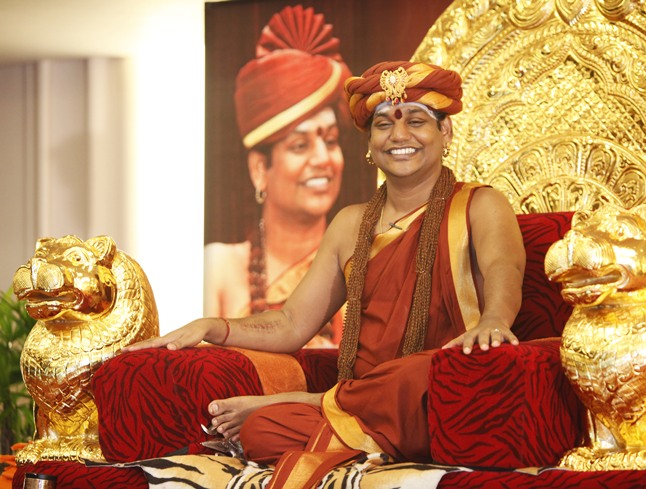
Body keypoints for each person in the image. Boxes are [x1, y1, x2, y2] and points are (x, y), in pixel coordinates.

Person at [125, 60, 525, 485]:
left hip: (438, 394)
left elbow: (505, 267)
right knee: (262, 430)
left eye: (416, 121)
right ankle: (351, 423)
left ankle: (316, 402)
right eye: (384, 124)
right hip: (364, 410)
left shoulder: (481, 204)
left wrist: (494, 321)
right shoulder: (351, 224)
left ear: (445, 132)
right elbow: (291, 323)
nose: (399, 136)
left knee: (421, 371)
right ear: (370, 143)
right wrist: (211, 327)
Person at [204, 5, 351, 346]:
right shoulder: (219, 267)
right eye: (300, 145)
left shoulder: (360, 269)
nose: (323, 159)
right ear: (260, 169)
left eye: (331, 141)